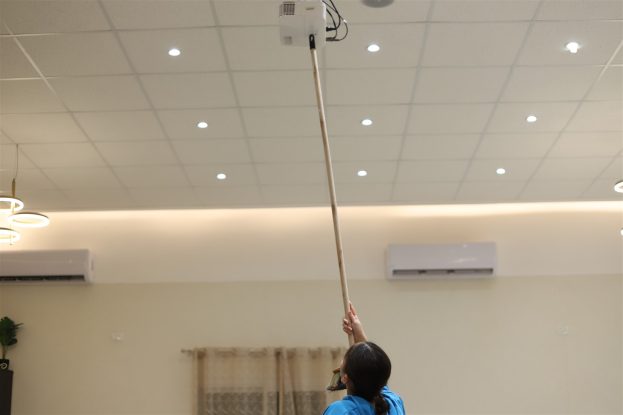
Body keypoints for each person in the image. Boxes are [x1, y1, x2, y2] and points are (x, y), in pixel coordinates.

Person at [323, 303, 406, 415]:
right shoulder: (394, 404)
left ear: (344, 378)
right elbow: (373, 369)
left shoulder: (342, 411)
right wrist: (358, 333)